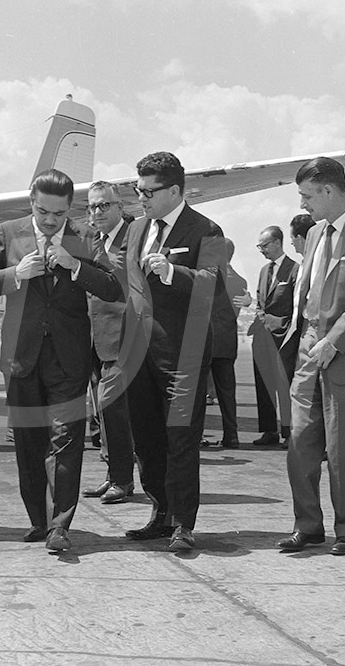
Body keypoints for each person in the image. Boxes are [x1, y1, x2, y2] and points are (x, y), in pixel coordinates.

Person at [0, 169, 120, 553]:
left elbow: (112, 287)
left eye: (58, 213)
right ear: (31, 202)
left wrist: (76, 266)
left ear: (71, 208)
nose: (50, 221)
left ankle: (60, 526)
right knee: (28, 444)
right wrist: (13, 274)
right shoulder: (8, 232)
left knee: (66, 441)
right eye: (43, 211)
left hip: (68, 359)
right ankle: (38, 519)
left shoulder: (85, 237)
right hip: (21, 357)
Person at [276, 156, 345, 556]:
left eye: (307, 196)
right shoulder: (313, 235)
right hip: (310, 350)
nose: (303, 204)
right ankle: (307, 526)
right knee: (300, 442)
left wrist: (334, 341)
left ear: (329, 190)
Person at [119, 151, 224, 551]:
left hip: (185, 354)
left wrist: (172, 272)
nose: (141, 197)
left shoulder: (206, 229)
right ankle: (160, 514)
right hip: (140, 353)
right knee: (146, 440)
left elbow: (212, 283)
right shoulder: (136, 229)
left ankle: (183, 523)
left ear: (175, 190)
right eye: (137, 189)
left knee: (180, 439)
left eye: (148, 191)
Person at [81, 182, 136, 504]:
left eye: (104, 206)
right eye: (92, 207)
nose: (96, 213)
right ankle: (114, 475)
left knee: (117, 414)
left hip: (123, 341)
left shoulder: (134, 240)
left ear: (120, 207)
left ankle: (123, 479)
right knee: (105, 414)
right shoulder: (95, 242)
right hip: (95, 341)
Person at [248, 226, 299, 449]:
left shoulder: (295, 270)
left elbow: (296, 308)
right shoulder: (262, 271)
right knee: (263, 385)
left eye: (264, 245)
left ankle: (289, 432)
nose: (261, 250)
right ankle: (269, 430)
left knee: (284, 386)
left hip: (283, 339)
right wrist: (261, 319)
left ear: (278, 243)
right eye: (259, 246)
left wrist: (278, 325)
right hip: (262, 338)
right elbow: (260, 302)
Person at [203, 237, 250, 449]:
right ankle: (232, 435)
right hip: (228, 342)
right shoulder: (240, 282)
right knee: (227, 393)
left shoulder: (208, 278)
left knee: (197, 394)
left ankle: (196, 436)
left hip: (205, 341)